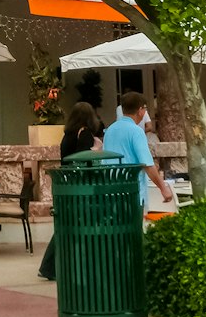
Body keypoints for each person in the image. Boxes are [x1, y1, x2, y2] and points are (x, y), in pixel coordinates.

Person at [38, 102, 102, 281]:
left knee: (65, 226)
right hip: (81, 187)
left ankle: (49, 266)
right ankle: (73, 267)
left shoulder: (67, 136)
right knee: (82, 225)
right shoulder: (85, 134)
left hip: (66, 185)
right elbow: (84, 161)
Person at [103, 91, 174, 209]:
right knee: (136, 226)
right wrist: (163, 188)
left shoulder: (109, 130)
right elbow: (147, 164)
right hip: (132, 191)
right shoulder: (136, 131)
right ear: (140, 110)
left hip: (111, 191)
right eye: (145, 108)